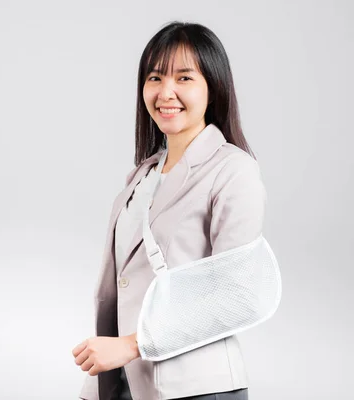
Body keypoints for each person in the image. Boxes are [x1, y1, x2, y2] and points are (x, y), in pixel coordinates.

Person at [72, 21, 268, 400]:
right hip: (125, 382)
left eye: (184, 78)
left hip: (197, 387)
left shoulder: (233, 170)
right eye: (155, 77)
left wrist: (132, 344)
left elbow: (237, 296)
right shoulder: (143, 175)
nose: (166, 92)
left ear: (213, 87)